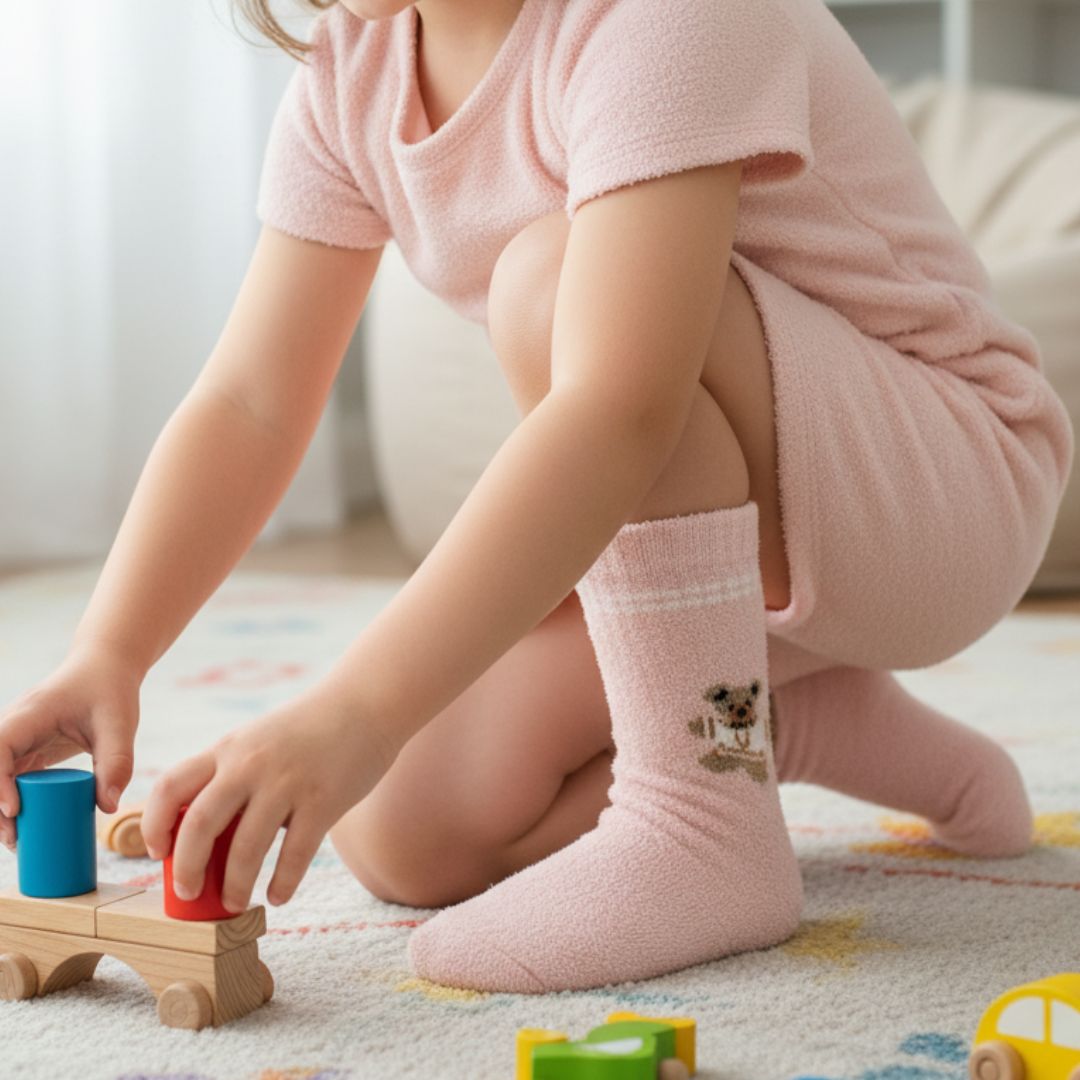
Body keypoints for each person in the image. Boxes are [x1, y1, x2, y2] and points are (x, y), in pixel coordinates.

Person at [0, 0, 1073, 995]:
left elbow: (621, 411)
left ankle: (705, 820)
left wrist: (352, 712)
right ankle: (774, 716)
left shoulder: (665, 18)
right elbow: (250, 403)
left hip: (946, 487)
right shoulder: (357, 64)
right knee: (399, 828)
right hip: (735, 525)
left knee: (549, 285)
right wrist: (111, 650)